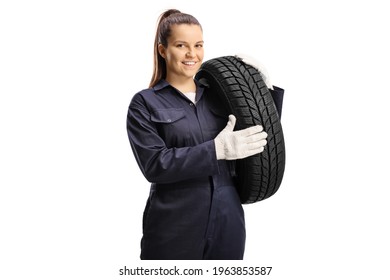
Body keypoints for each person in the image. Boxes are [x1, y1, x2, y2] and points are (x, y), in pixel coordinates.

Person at [126, 9, 284, 260]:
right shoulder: (145, 103)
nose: (192, 54)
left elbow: (261, 138)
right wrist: (216, 150)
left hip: (228, 222)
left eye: (198, 45)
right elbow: (154, 165)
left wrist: (264, 89)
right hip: (174, 225)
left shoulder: (220, 95)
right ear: (163, 50)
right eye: (181, 45)